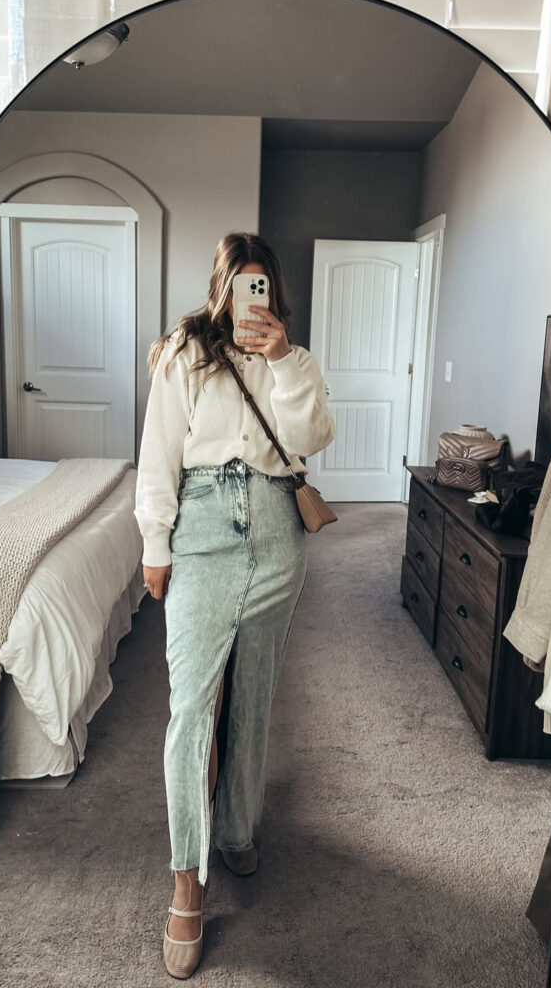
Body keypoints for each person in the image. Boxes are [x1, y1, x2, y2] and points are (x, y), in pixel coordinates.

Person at [134, 231, 336, 978]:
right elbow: (159, 451)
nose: (250, 300)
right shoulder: (185, 354)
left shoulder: (296, 361)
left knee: (254, 696)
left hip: (279, 527)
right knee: (192, 706)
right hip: (204, 524)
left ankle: (240, 826)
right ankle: (187, 881)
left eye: (262, 286)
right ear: (219, 288)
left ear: (273, 293)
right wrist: (156, 542)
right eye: (238, 285)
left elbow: (313, 436)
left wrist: (282, 361)